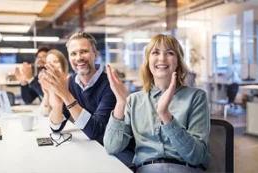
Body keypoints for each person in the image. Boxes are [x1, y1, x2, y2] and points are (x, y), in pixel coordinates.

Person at [103, 34, 210, 173]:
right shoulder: (134, 100)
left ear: (178, 62)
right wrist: (121, 102)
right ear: (148, 61)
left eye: (170, 53)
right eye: (155, 52)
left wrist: (165, 116)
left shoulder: (196, 97)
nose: (161, 58)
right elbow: (111, 147)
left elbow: (196, 156)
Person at [42, 32, 134, 166]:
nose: (78, 58)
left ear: (95, 54)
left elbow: (96, 131)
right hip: (91, 151)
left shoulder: (110, 85)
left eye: (84, 51)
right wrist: (58, 103)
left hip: (116, 155)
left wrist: (66, 96)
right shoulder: (71, 83)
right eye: (73, 54)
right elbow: (56, 127)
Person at [37, 49, 69, 117]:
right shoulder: (50, 82)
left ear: (63, 64)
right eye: (48, 62)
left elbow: (60, 111)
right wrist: (46, 93)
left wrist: (50, 90)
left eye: (56, 61)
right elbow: (44, 113)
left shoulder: (69, 81)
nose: (51, 65)